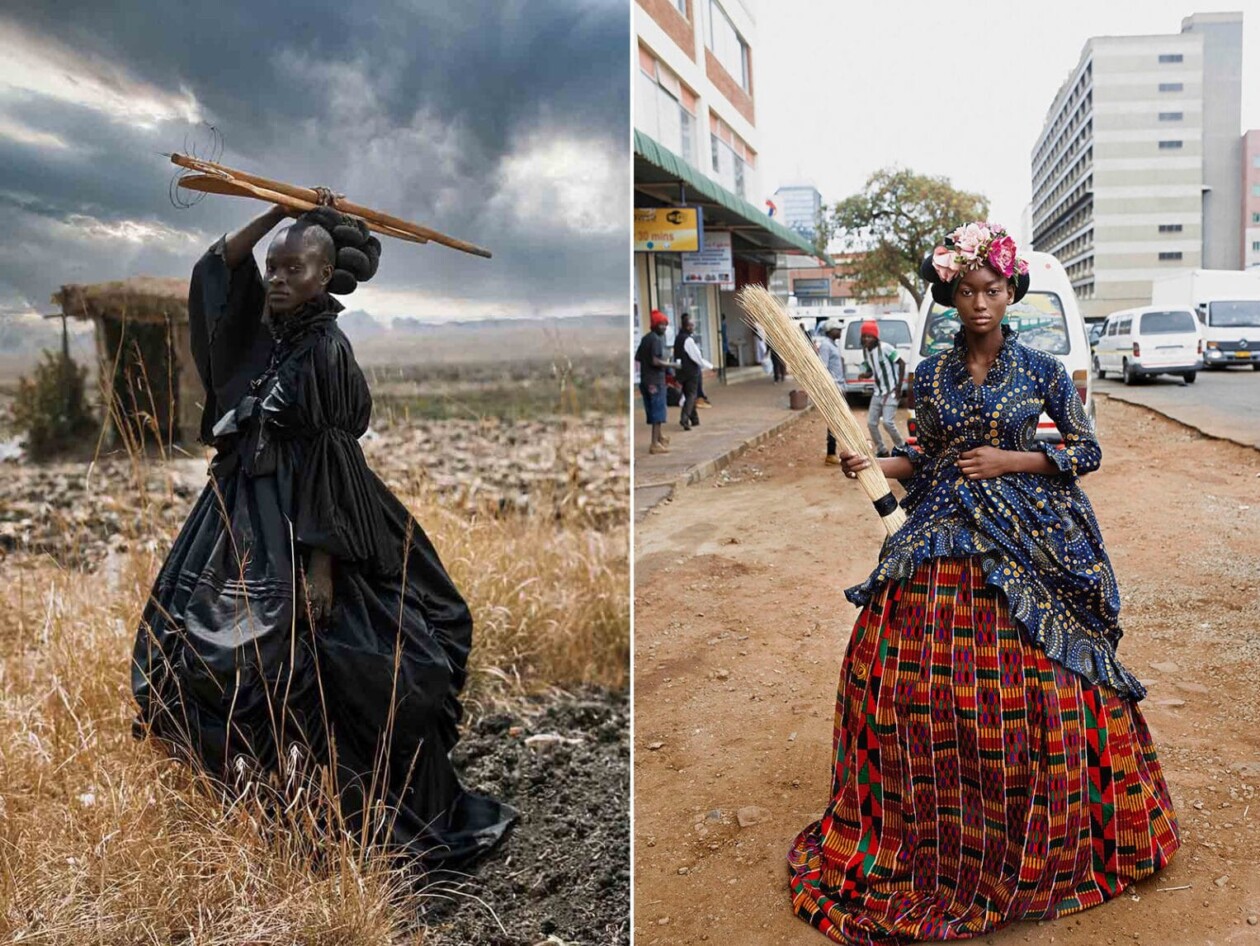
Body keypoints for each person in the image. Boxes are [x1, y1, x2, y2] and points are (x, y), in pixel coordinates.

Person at [787, 223, 1179, 942]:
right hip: (939, 529)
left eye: (991, 291)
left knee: (1043, 676)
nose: (978, 303)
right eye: (965, 292)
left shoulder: (1040, 370)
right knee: (907, 676)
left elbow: (1086, 449)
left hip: (1029, 532)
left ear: (1011, 293)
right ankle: (934, 829)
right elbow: (926, 455)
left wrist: (1012, 460)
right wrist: (878, 465)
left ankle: (1046, 836)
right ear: (948, 296)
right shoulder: (930, 374)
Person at [132, 203, 516, 869]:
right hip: (244, 517)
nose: (276, 278)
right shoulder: (266, 337)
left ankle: (349, 821)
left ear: (325, 276)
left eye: (293, 268)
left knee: (356, 664)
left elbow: (329, 466)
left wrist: (320, 566)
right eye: (272, 267)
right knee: (200, 654)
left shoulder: (326, 350)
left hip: (314, 529)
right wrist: (275, 212)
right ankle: (281, 820)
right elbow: (215, 275)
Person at [857, 319, 906, 457]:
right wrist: (864, 374)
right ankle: (882, 450)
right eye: (865, 336)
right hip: (878, 392)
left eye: (870, 336)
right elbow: (872, 370)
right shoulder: (866, 351)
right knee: (871, 423)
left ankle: (902, 447)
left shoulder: (885, 348)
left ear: (875, 337)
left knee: (888, 423)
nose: (867, 339)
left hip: (891, 391)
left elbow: (901, 363)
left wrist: (898, 388)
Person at [636, 309, 674, 454]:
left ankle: (660, 437)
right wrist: (671, 365)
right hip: (655, 381)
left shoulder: (646, 338)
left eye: (665, 324)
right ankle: (654, 444)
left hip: (645, 380)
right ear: (655, 325)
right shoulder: (656, 340)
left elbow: (638, 357)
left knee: (652, 410)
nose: (664, 327)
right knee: (658, 412)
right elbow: (655, 361)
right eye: (661, 324)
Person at [674, 313, 714, 431]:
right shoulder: (688, 340)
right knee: (692, 395)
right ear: (687, 326)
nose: (693, 327)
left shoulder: (678, 338)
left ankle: (694, 419)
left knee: (687, 394)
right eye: (692, 325)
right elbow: (697, 357)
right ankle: (684, 417)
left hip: (681, 370)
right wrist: (710, 366)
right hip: (691, 371)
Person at [817, 319, 847, 466]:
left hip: (839, 387)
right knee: (834, 422)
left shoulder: (832, 345)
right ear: (830, 331)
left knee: (839, 421)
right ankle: (830, 453)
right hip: (833, 389)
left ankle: (834, 452)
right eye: (838, 329)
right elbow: (823, 368)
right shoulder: (826, 346)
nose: (840, 332)